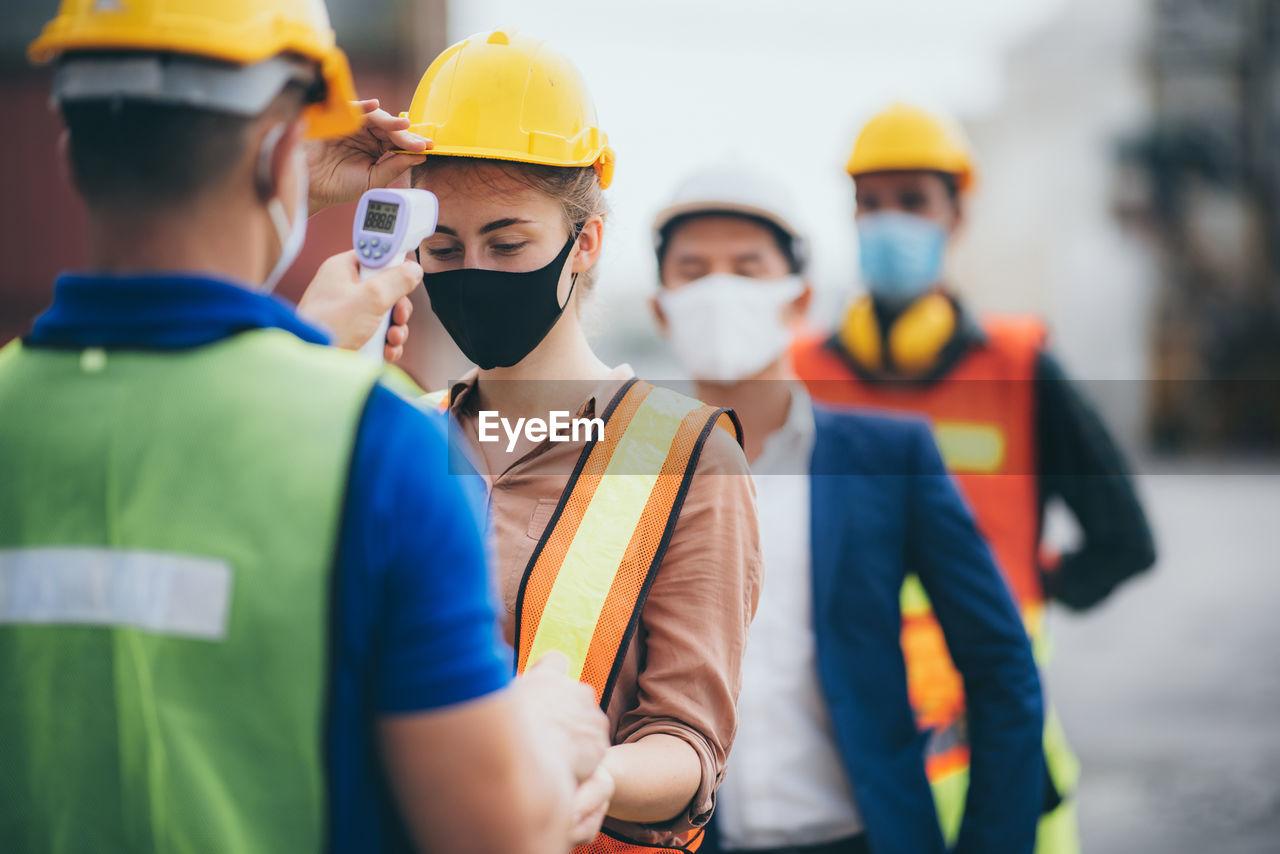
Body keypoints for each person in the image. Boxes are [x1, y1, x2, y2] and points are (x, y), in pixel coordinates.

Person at [0, 3, 614, 853]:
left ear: (70, 150)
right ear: (277, 152)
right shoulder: (382, 448)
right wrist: (548, 724)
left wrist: (306, 322)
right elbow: (492, 832)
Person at [403, 29, 764, 853]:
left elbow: (687, 741)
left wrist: (595, 776)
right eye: (444, 249)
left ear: (585, 243)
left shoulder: (685, 456)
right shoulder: (402, 435)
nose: (473, 273)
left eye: (507, 242)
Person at [791, 103, 1159, 852]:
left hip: (998, 735)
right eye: (872, 202)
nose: (890, 220)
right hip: (848, 741)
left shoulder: (1021, 370)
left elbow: (1126, 539)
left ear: (957, 213)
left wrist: (1030, 584)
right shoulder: (802, 377)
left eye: (913, 201)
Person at [650, 166, 1044, 854]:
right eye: (694, 270)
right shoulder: (623, 473)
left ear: (798, 299)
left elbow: (1002, 667)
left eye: (748, 268)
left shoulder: (889, 459)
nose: (721, 292)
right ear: (661, 307)